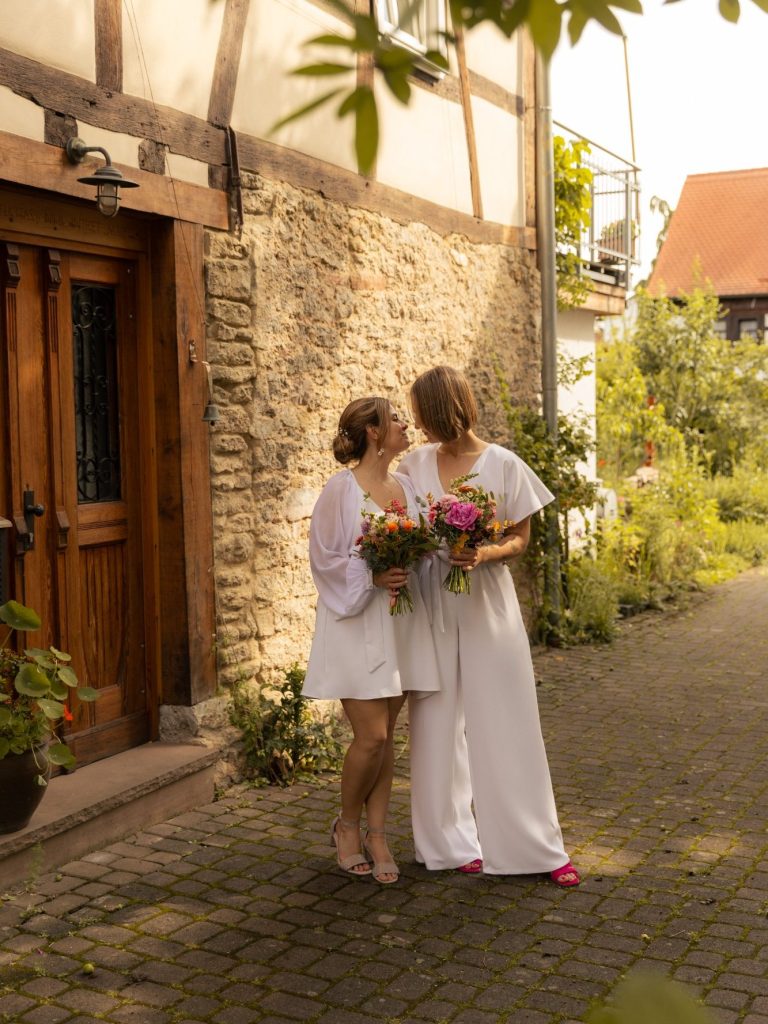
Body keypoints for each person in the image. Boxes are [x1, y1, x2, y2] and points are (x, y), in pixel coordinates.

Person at [398, 366, 579, 886]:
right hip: (433, 604)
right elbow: (397, 520)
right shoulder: (414, 464)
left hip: (488, 608)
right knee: (434, 725)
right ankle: (446, 844)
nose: (417, 425)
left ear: (443, 410)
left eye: (422, 415)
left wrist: (486, 552)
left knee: (507, 719)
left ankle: (535, 849)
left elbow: (521, 540)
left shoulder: (503, 465)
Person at [303, 396, 441, 884]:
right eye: (396, 418)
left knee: (388, 738)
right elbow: (324, 559)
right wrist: (374, 575)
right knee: (372, 736)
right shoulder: (340, 490)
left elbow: (423, 547)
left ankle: (378, 833)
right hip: (358, 622)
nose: (405, 424)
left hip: (401, 620)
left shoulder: (405, 485)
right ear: (375, 433)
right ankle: (347, 826)